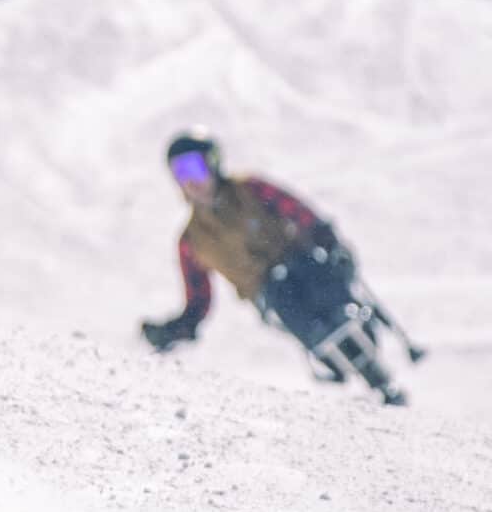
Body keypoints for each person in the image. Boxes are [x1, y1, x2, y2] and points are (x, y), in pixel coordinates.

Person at [138, 131, 405, 405]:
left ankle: (366, 348)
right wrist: (180, 327)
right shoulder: (193, 241)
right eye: (180, 173)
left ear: (213, 163)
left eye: (194, 167)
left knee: (322, 292)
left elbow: (298, 212)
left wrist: (328, 241)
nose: (190, 180)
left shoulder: (250, 190)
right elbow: (198, 298)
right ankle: (351, 367)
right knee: (285, 296)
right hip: (271, 294)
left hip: (304, 263)